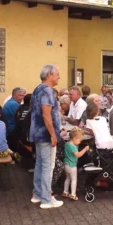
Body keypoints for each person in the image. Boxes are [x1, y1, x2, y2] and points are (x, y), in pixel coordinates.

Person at [29, 64, 64, 209]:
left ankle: (38, 194)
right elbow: (46, 114)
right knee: (47, 166)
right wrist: (53, 135)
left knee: (40, 164)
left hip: (37, 133)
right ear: (49, 75)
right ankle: (46, 199)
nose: (59, 77)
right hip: (45, 135)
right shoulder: (48, 91)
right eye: (57, 74)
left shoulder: (37, 89)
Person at [62, 128, 89, 201]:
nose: (80, 142)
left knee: (67, 178)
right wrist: (85, 149)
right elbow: (78, 155)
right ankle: (73, 194)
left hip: (66, 164)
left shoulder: (66, 144)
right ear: (75, 138)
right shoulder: (73, 147)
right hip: (72, 166)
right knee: (74, 179)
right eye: (79, 140)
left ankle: (65, 191)